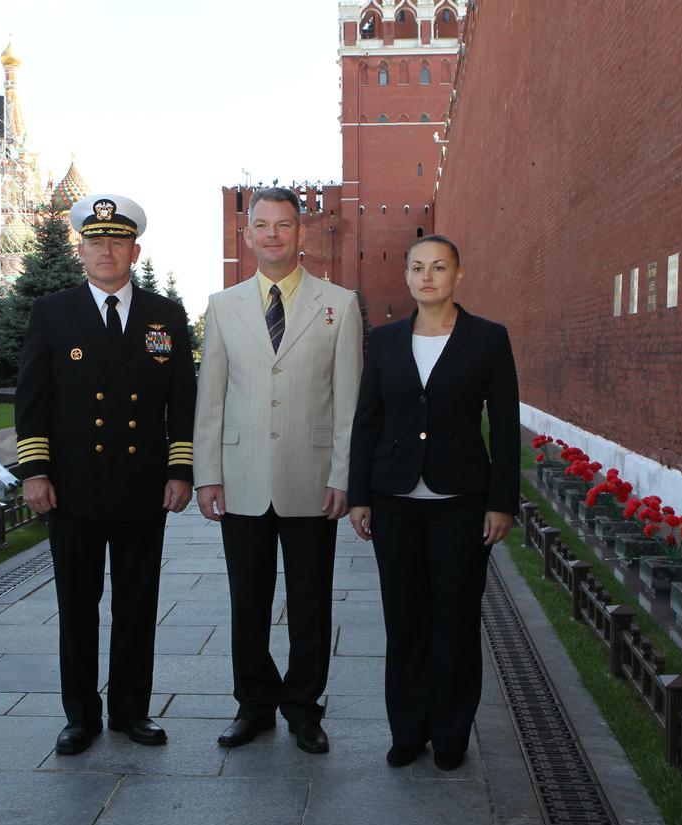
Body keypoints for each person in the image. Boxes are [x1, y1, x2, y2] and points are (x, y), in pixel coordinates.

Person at [15, 194, 196, 755]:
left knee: (137, 604)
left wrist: (180, 468)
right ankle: (80, 715)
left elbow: (182, 399)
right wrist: (35, 471)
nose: (106, 251)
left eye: (117, 242)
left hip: (142, 484)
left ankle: (131, 711)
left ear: (135, 250)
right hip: (72, 486)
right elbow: (32, 398)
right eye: (96, 242)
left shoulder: (164, 314)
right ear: (82, 251)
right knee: (77, 603)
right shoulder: (53, 312)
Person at [194, 187, 362, 753]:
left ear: (301, 233)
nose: (272, 235)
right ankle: (254, 704)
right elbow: (210, 398)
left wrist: (344, 474)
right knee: (249, 599)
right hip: (241, 476)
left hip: (312, 478)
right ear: (247, 234)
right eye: (261, 225)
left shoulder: (340, 303)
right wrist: (207, 474)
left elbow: (348, 402)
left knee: (311, 599)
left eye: (283, 225)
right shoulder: (222, 306)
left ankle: (304, 707)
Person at [347, 234, 519, 770]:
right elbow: (367, 420)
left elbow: (507, 426)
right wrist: (359, 495)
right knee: (404, 619)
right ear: (407, 276)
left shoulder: (488, 339)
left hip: (461, 501)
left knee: (456, 618)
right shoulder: (388, 340)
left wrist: (501, 501)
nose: (428, 277)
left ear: (457, 275)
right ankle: (407, 730)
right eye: (418, 267)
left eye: (439, 267)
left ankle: (450, 734)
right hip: (394, 499)